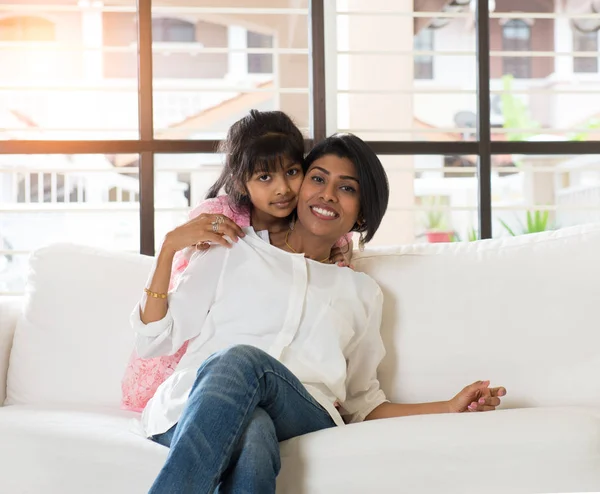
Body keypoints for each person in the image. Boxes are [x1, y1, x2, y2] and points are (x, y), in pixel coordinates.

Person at [131, 133, 507, 493]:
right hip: (194, 405)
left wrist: (448, 406)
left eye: (346, 188)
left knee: (239, 361)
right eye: (318, 179)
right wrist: (167, 251)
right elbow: (154, 341)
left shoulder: (361, 293)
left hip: (301, 413)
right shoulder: (233, 248)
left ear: (361, 215)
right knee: (254, 434)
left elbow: (364, 402)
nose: (327, 194)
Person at [121, 110, 352, 412]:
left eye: (292, 172)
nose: (282, 188)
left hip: (273, 381)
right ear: (242, 183)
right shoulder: (224, 226)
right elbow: (175, 320)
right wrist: (171, 247)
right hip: (197, 356)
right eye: (265, 177)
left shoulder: (319, 229)